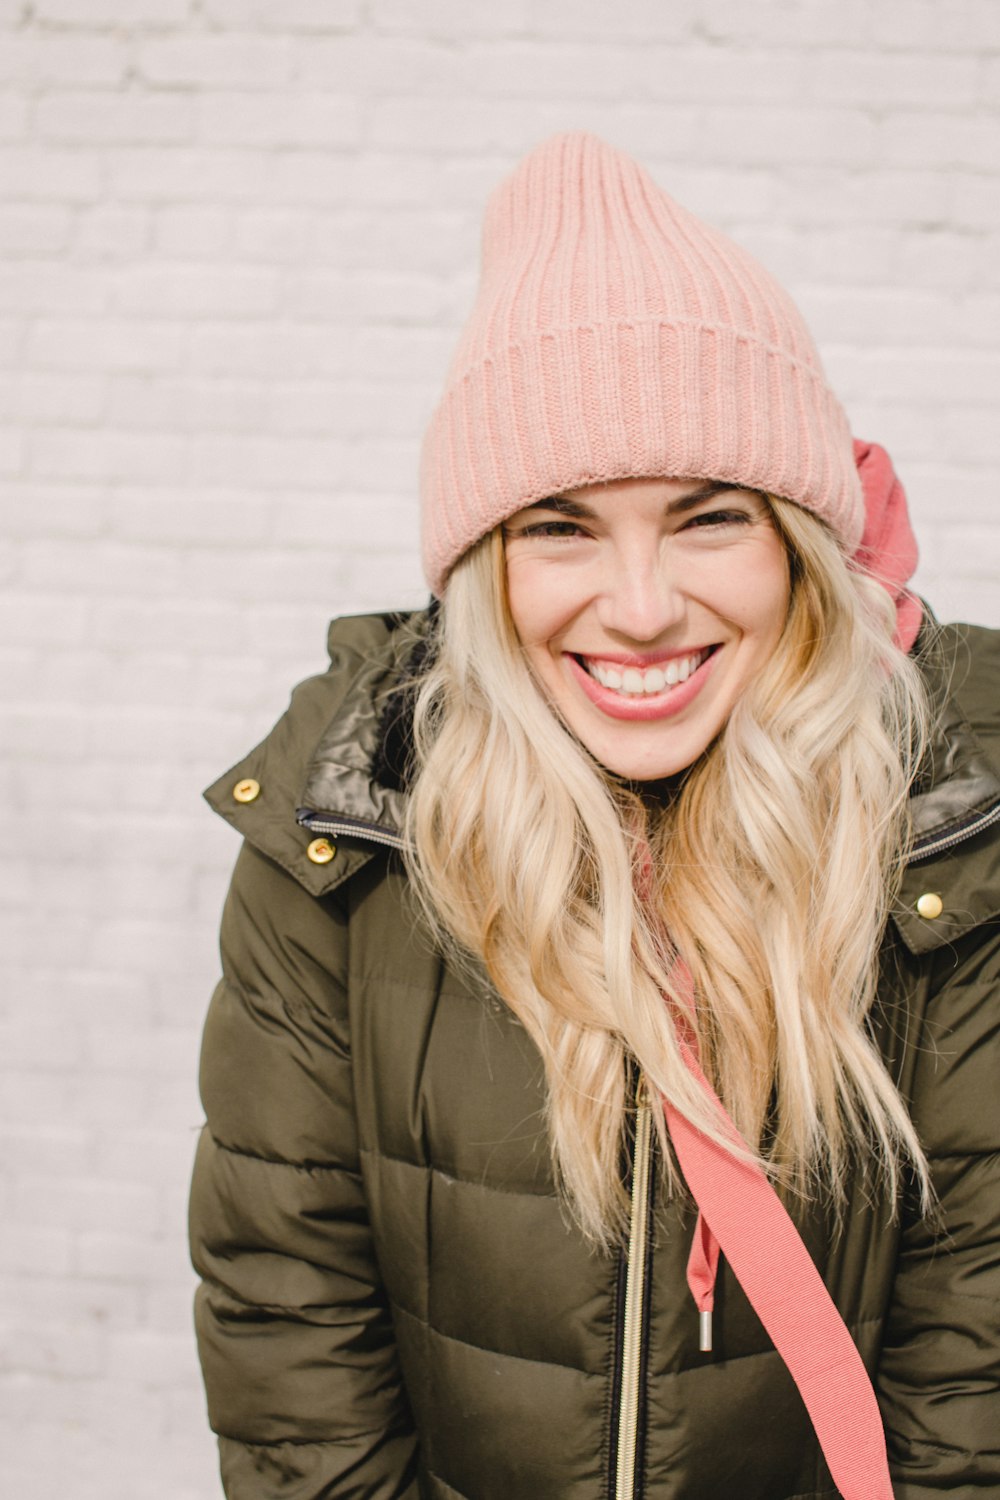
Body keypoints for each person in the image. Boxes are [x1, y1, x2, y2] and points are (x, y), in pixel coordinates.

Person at [189, 133, 1000, 1499]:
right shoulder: (343, 845)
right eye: (560, 528)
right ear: (481, 569)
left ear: (800, 544)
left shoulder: (946, 830)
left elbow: (975, 1353)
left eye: (708, 519)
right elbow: (289, 1327)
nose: (638, 606)